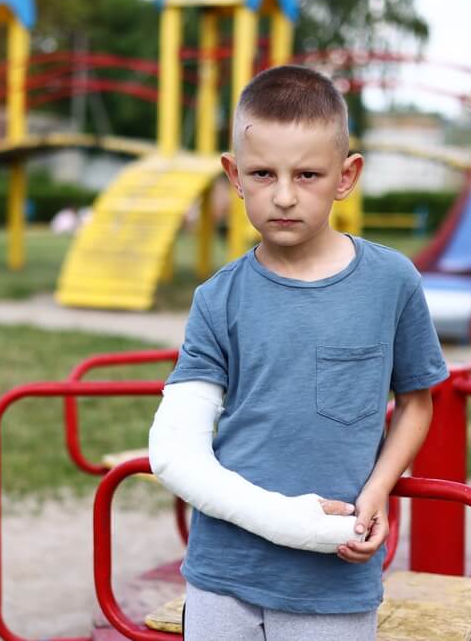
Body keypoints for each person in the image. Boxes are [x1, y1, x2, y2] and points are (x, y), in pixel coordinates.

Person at [148, 65, 449, 641]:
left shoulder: (392, 282)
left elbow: (416, 403)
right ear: (234, 176)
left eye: (307, 174)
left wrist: (376, 492)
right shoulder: (218, 297)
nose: (284, 196)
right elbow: (175, 450)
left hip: (333, 575)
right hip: (222, 572)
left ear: (346, 175)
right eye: (263, 174)